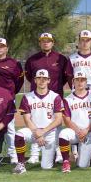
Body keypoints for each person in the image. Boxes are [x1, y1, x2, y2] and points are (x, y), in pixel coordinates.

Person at [24, 32, 69, 163]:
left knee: (57, 124)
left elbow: (65, 78)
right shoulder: (32, 59)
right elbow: (29, 77)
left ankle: (59, 153)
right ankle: (34, 154)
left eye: (48, 40)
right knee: (36, 122)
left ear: (53, 43)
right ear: (40, 43)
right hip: (36, 97)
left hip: (55, 96)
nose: (46, 42)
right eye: (43, 40)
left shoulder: (61, 59)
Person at [12, 69, 64, 174]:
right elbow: (27, 119)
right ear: (35, 80)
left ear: (49, 80)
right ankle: (21, 164)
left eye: (44, 78)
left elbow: (59, 120)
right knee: (19, 134)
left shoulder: (55, 97)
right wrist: (37, 133)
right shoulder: (27, 97)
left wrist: (43, 132)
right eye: (39, 78)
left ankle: (52, 154)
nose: (41, 81)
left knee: (46, 167)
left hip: (49, 133)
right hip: (33, 131)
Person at [57, 70, 91, 173]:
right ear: (73, 82)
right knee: (63, 133)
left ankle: (81, 155)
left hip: (88, 133)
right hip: (74, 132)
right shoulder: (67, 99)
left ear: (86, 82)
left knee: (82, 165)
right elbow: (67, 120)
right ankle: (66, 162)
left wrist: (86, 130)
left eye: (83, 80)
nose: (80, 82)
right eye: (77, 80)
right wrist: (78, 131)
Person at [66, 30, 91, 94]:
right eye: (82, 40)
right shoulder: (72, 58)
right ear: (79, 41)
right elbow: (69, 77)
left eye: (87, 40)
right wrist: (74, 87)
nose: (85, 43)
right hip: (77, 90)